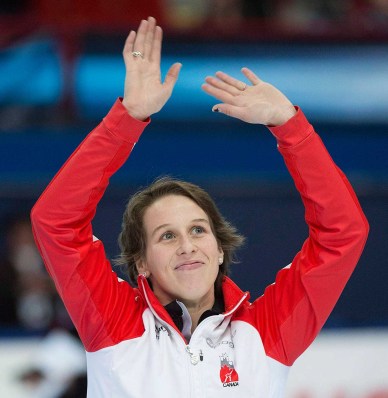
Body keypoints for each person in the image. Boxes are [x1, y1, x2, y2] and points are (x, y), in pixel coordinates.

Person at [31, 16, 369, 398]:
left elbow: (342, 234)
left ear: (219, 248)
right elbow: (56, 221)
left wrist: (290, 126)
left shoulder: (269, 330)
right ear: (141, 262)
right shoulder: (112, 320)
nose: (187, 245)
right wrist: (126, 120)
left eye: (197, 230)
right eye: (167, 235)